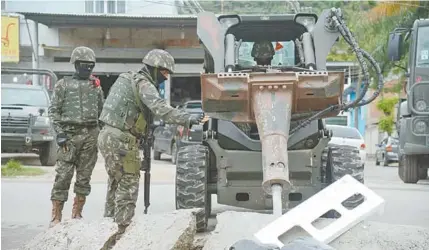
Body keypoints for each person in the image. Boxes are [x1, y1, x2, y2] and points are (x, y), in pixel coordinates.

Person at [97, 49, 203, 245]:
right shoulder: (144, 84)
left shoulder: (127, 78)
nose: (165, 77)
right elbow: (161, 109)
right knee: (128, 186)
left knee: (116, 183)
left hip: (108, 135)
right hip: (121, 139)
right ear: (154, 69)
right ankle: (121, 234)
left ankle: (107, 228)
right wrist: (187, 118)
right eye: (164, 73)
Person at [48, 46, 104, 227]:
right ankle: (56, 216)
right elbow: (54, 111)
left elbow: (101, 111)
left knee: (84, 177)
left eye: (90, 65)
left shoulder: (95, 86)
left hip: (90, 135)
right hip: (69, 137)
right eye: (83, 65)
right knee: (63, 176)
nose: (87, 69)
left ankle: (77, 213)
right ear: (76, 64)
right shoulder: (63, 85)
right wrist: (60, 133)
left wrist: (101, 134)